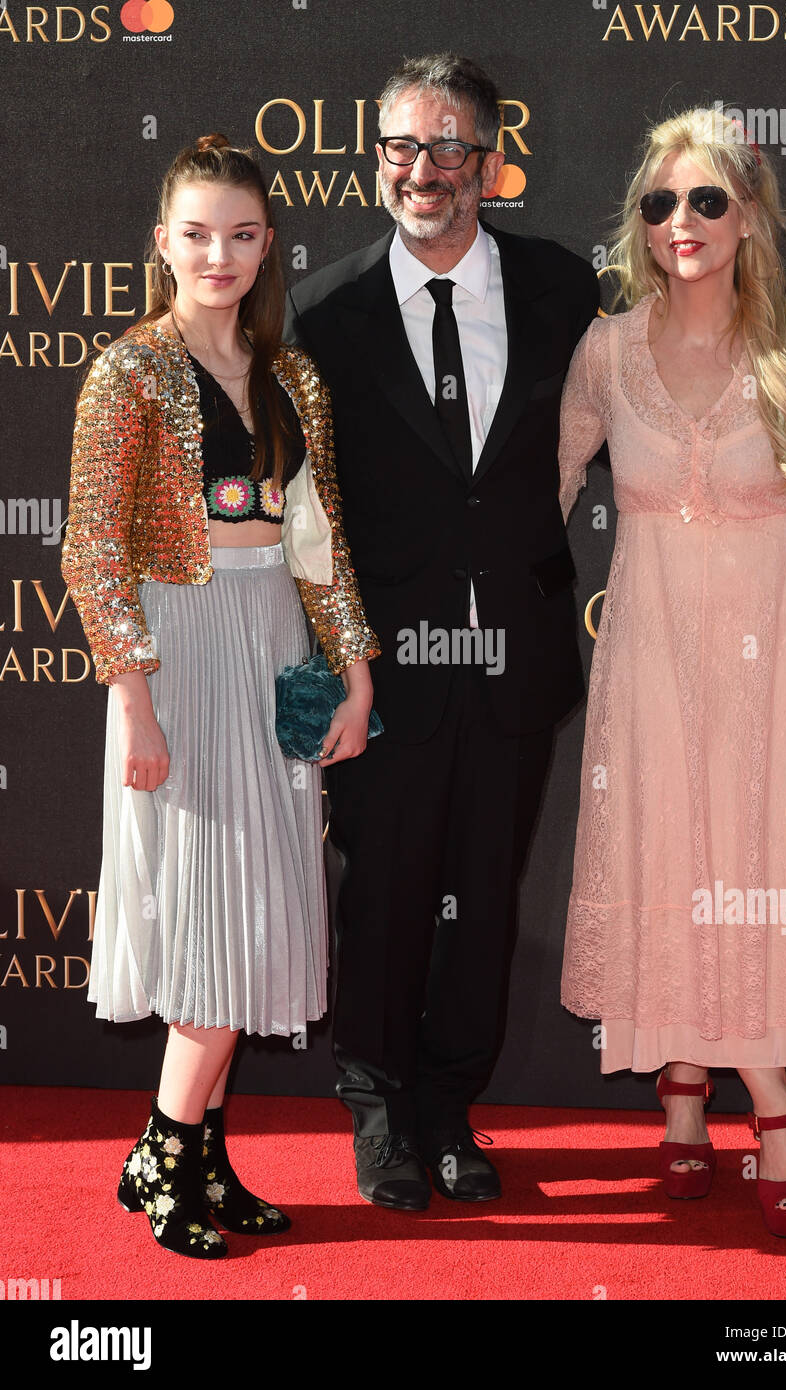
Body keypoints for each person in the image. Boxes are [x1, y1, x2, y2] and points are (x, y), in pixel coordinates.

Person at [284, 53, 600, 1210]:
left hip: (514, 658)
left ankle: (451, 1104)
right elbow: (306, 520)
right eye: (399, 148)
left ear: (490, 161)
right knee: (383, 890)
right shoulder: (324, 312)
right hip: (381, 668)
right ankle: (378, 1109)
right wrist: (333, 678)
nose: (422, 170)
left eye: (447, 146)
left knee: (483, 886)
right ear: (377, 160)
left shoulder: (565, 290)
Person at [558, 108, 786, 1238]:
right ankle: (711, 1087)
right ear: (639, 226)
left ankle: (742, 1093)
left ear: (746, 214)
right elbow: (530, 494)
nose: (680, 222)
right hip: (650, 653)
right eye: (659, 203)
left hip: (771, 649)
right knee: (669, 848)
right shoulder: (604, 351)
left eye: (704, 200)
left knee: (750, 861)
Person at [61, 134, 379, 1259]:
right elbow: (93, 553)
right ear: (162, 243)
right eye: (196, 233)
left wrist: (357, 668)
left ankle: (196, 1155)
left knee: (256, 911)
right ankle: (164, 1152)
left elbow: (320, 535)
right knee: (206, 911)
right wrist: (135, 700)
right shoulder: (128, 372)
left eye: (241, 234)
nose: (219, 254)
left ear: (267, 246)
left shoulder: (289, 375)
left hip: (273, 640)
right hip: (178, 652)